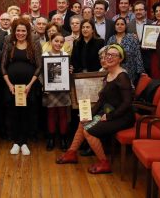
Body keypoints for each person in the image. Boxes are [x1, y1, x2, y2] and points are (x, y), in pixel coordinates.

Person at [56, 44, 135, 174]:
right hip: (109, 111)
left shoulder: (122, 76)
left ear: (120, 59)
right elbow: (102, 100)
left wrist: (110, 116)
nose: (109, 57)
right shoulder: (108, 74)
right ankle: (71, 153)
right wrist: (88, 114)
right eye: (107, 54)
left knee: (89, 131)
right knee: (83, 122)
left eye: (113, 55)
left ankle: (104, 163)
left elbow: (127, 103)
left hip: (122, 117)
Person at [1, 18, 42, 155]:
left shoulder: (34, 42)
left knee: (26, 114)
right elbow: (3, 65)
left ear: (28, 31)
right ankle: (15, 142)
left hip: (28, 87)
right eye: (18, 30)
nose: (20, 33)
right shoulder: (8, 41)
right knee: (13, 114)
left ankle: (24, 142)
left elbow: (39, 66)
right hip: (11, 87)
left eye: (23, 30)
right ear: (14, 31)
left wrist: (30, 85)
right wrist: (9, 85)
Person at [42, 33, 72, 152]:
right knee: (51, 114)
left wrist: (70, 70)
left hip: (62, 90)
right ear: (51, 41)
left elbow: (68, 74)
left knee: (63, 114)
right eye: (56, 41)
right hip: (49, 90)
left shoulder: (65, 55)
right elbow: (41, 73)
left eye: (61, 42)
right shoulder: (44, 55)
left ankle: (63, 139)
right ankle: (51, 139)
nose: (58, 44)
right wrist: (44, 85)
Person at [107, 17, 145, 85]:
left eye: (122, 24)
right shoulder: (111, 39)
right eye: (117, 24)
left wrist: (141, 71)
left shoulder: (132, 38)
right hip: (114, 71)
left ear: (125, 26)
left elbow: (138, 54)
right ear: (115, 26)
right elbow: (107, 55)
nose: (120, 26)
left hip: (130, 70)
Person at [127, 0, 153, 74]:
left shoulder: (152, 24)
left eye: (141, 10)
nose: (138, 12)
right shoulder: (128, 26)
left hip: (149, 61)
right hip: (133, 62)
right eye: (136, 10)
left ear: (145, 11)